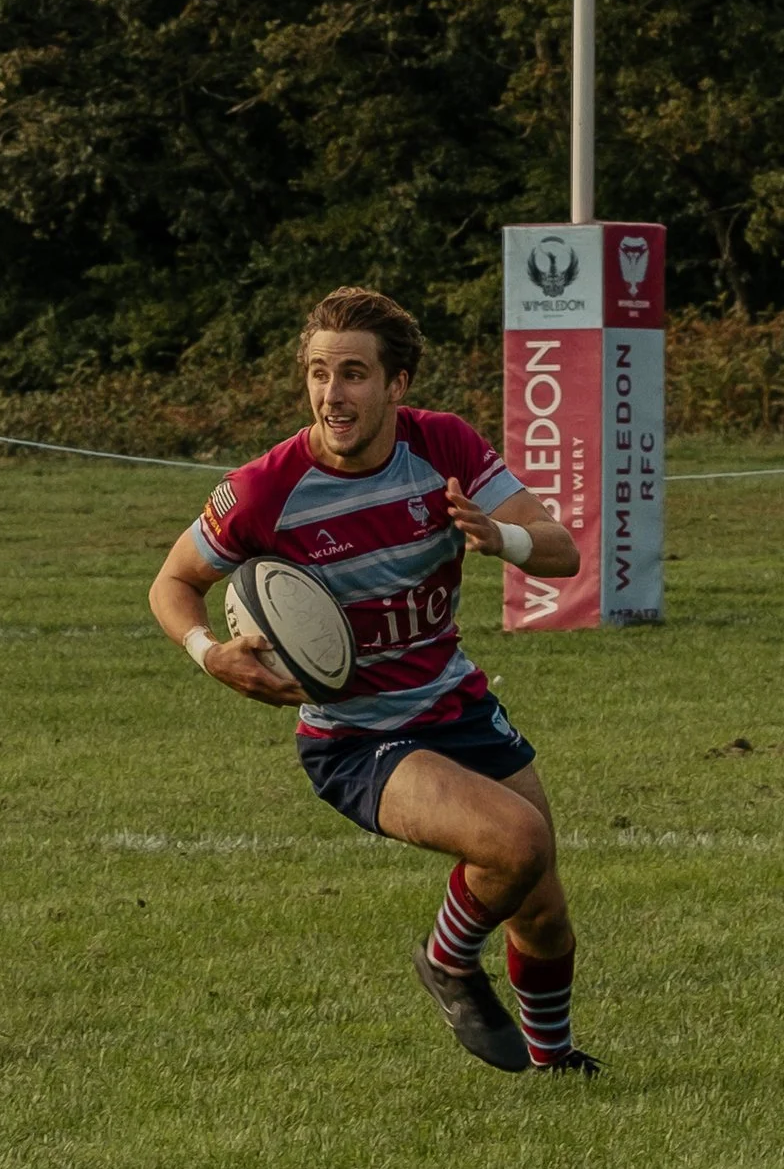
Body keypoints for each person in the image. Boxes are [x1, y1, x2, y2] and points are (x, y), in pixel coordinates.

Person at [147, 283, 598, 1075]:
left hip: (455, 703)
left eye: (353, 373)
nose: (332, 394)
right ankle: (447, 961)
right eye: (320, 373)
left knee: (544, 907)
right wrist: (207, 652)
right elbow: (172, 584)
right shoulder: (263, 491)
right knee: (515, 842)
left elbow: (560, 549)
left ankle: (554, 1067)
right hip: (358, 738)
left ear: (397, 385)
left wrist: (501, 537)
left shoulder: (446, 447)